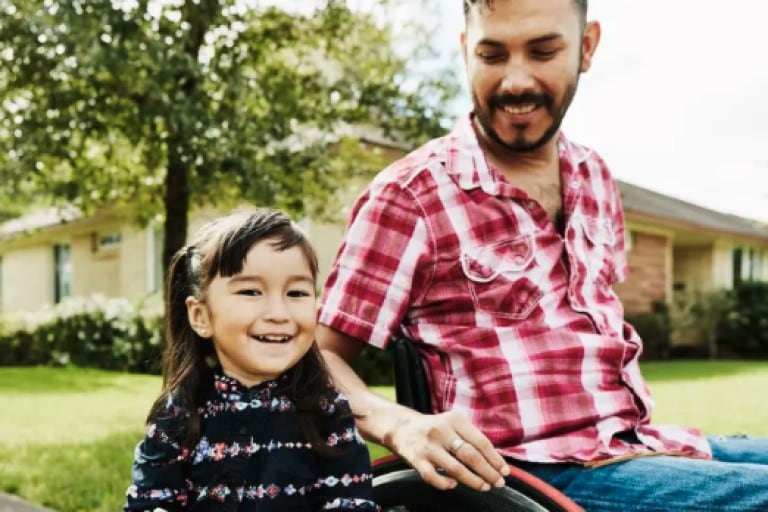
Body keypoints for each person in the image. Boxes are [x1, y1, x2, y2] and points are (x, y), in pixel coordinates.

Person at [316, 0, 768, 510]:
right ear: (466, 52)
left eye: (543, 51)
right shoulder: (411, 195)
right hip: (524, 477)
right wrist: (398, 423)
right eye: (492, 55)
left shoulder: (593, 174)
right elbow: (316, 355)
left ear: (587, 47)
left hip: (634, 447)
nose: (515, 81)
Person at [124, 208, 378, 511]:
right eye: (250, 291)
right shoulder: (179, 413)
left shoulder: (326, 413)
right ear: (201, 316)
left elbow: (351, 502)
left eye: (296, 293)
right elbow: (149, 501)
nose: (278, 313)